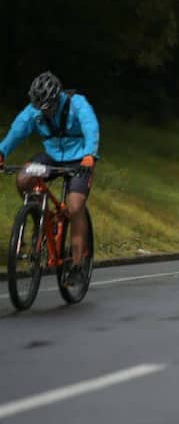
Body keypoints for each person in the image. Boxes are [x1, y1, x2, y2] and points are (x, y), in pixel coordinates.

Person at [0, 71, 100, 281]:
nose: (42, 113)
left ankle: (78, 264)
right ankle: (40, 219)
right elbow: (17, 131)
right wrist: (2, 153)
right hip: (52, 156)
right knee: (23, 178)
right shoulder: (33, 110)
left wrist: (90, 155)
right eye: (38, 107)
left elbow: (91, 127)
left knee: (74, 207)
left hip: (80, 158)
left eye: (46, 107)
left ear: (56, 99)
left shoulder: (77, 104)